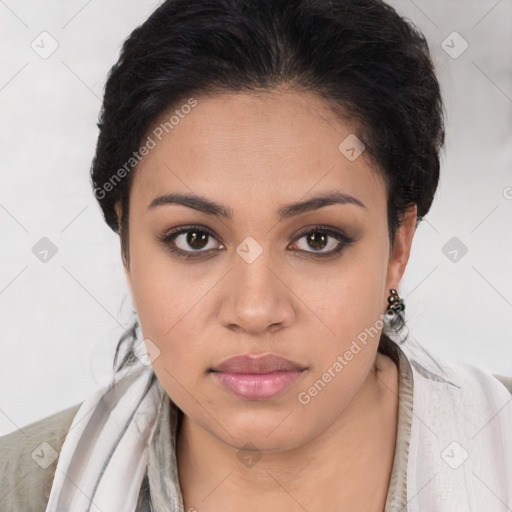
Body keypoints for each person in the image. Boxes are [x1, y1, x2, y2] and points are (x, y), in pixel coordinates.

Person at [1, 0, 511, 511]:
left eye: (317, 239)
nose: (255, 310)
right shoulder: (19, 490)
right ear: (127, 247)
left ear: (398, 246)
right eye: (195, 239)